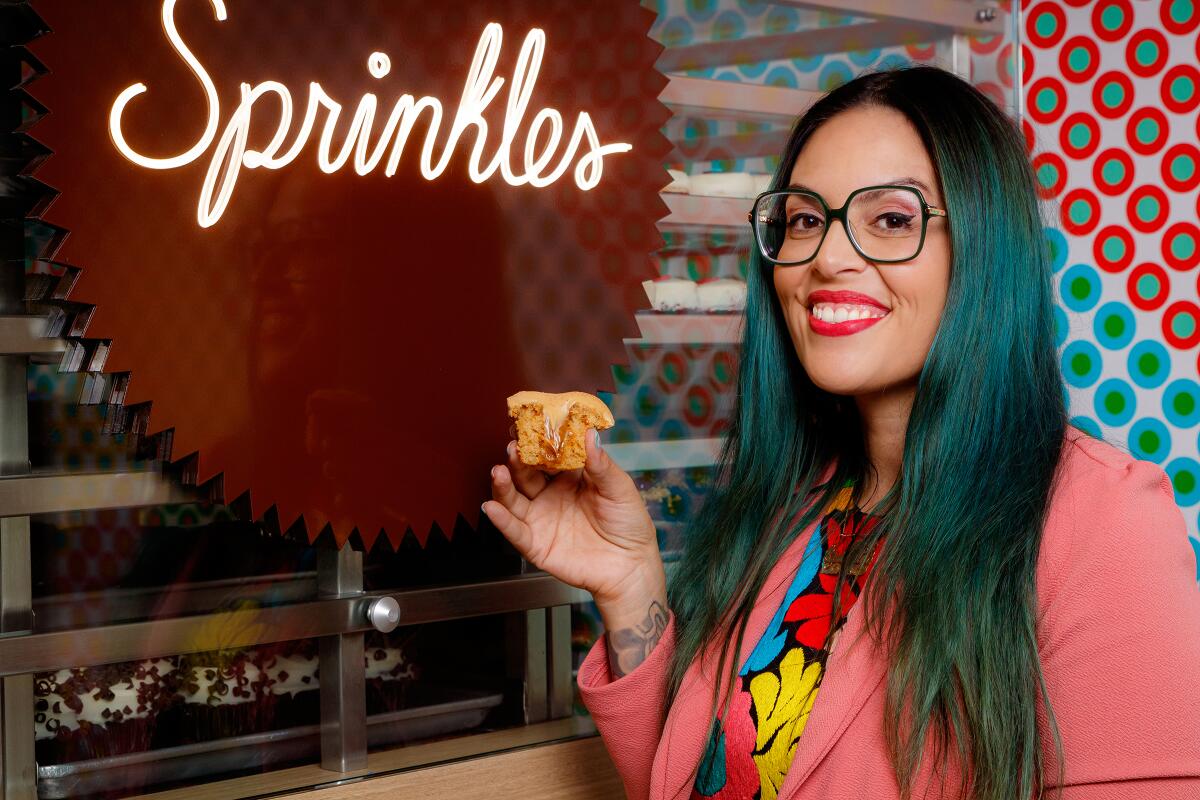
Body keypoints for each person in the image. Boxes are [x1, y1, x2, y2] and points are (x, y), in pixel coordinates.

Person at [481, 66, 1200, 800]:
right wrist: (631, 587)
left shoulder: (1102, 522)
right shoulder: (801, 509)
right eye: (804, 219)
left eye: (891, 219)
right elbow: (714, 785)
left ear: (983, 251)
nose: (826, 257)